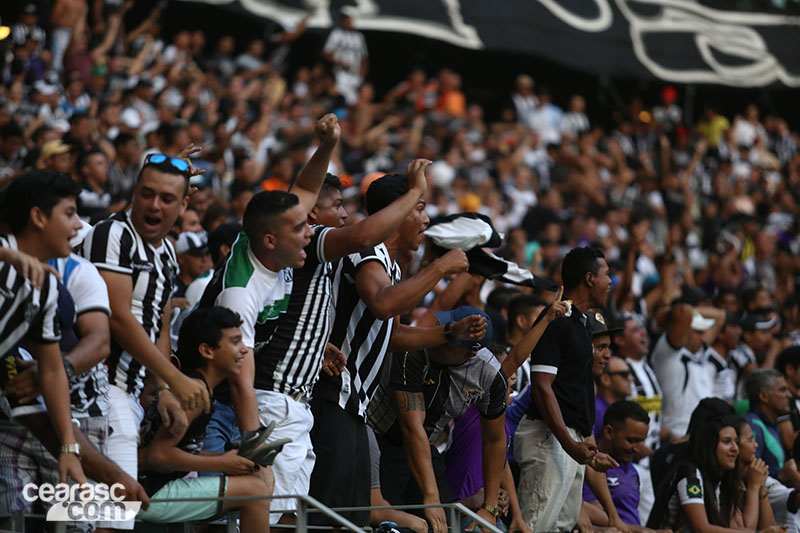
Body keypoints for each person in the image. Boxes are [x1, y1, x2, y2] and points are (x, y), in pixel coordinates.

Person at [196, 115, 345, 523]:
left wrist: (327, 145)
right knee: (242, 511)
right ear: (270, 240)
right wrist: (256, 451)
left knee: (270, 510)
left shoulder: (267, 243)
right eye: (301, 228)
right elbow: (240, 379)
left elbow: (306, 190)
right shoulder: (241, 293)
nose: (310, 232)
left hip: (231, 396)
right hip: (211, 403)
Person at [309, 171, 471, 529]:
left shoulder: (389, 266)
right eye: (420, 209)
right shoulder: (366, 250)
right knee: (329, 516)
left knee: (350, 515)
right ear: (397, 212)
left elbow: (392, 335)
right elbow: (383, 305)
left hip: (353, 402)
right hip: (331, 392)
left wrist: (447, 333)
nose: (426, 220)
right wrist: (440, 267)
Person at [80, 151, 209, 530]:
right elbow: (118, 317)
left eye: (167, 199)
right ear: (134, 191)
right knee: (110, 521)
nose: (154, 205)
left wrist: (164, 388)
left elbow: (160, 323)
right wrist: (176, 377)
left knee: (111, 520)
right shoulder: (112, 234)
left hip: (129, 393)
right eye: (147, 194)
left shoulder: (167, 251)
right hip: (100, 389)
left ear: (182, 206)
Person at [137, 306, 276, 531]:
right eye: (235, 342)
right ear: (207, 351)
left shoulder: (198, 387)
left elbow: (176, 450)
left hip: (151, 487)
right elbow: (158, 455)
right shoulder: (195, 394)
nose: (244, 350)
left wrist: (228, 458)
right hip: (143, 492)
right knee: (255, 490)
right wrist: (220, 462)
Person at [368, 306, 505, 529]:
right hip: (380, 436)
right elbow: (411, 427)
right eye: (443, 328)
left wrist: (490, 508)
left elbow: (495, 440)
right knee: (391, 522)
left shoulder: (489, 374)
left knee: (442, 524)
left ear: (469, 354)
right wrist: (431, 498)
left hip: (426, 445)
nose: (439, 341)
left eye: (448, 343)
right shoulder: (414, 348)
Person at [514, 247, 619, 532]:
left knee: (560, 528)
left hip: (567, 441)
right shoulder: (556, 318)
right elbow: (542, 386)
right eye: (606, 274)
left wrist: (586, 446)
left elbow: (573, 392)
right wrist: (568, 443)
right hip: (549, 438)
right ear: (589, 279)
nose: (611, 281)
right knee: (535, 527)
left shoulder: (580, 324)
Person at [0, 171, 87, 512]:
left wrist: (68, 447)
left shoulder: (47, 287)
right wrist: (7, 256)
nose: (78, 225)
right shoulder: (5, 256)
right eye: (69, 213)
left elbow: (51, 370)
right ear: (38, 217)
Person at [647, 414, 742, 532]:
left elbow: (735, 528)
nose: (735, 448)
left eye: (736, 442)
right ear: (709, 446)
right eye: (726, 442)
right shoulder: (690, 474)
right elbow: (701, 529)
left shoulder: (723, 477)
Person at [612, 313, 664, 522]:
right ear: (619, 340)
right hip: (630, 462)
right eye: (635, 330)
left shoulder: (647, 368)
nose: (643, 334)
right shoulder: (619, 372)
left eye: (642, 329)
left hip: (650, 461)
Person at [652, 305, 724, 437]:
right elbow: (684, 312)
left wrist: (694, 313)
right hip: (678, 436)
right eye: (698, 332)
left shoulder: (698, 351)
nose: (703, 338)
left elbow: (720, 316)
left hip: (702, 436)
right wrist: (670, 315)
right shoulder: (668, 354)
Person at [582, 401, 651, 528]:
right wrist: (640, 531)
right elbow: (588, 511)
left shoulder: (631, 469)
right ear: (609, 432)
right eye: (631, 440)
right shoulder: (592, 466)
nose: (637, 448)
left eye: (641, 441)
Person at [745, 370, 792, 478]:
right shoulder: (753, 426)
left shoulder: (772, 424)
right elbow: (752, 474)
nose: (789, 395)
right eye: (782, 390)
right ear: (764, 397)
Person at [734, 418, 778, 530]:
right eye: (750, 440)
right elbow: (748, 529)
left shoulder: (752, 474)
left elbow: (770, 528)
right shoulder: (726, 481)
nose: (756, 445)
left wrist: (761, 487)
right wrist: (753, 486)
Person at [322, 6, 368, 105]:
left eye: (350, 19)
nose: (349, 22)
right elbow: (326, 53)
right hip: (340, 76)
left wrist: (361, 75)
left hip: (355, 78)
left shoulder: (359, 37)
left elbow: (364, 58)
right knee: (342, 101)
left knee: (354, 103)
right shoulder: (336, 34)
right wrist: (340, 62)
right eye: (347, 19)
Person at [595, 356, 634, 438]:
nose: (631, 378)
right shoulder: (595, 410)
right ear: (605, 379)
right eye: (624, 374)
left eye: (630, 373)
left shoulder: (623, 408)